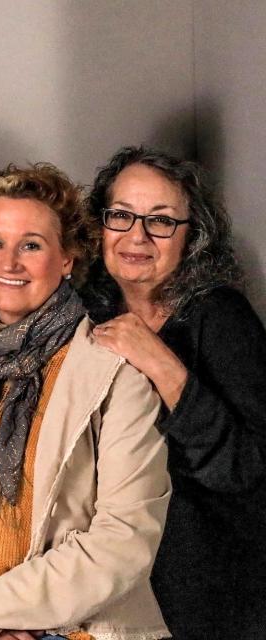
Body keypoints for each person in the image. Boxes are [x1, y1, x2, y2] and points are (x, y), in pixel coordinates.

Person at [0, 164, 171, 640]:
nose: (10, 262)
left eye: (32, 245)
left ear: (67, 259)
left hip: (73, 630)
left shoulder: (115, 375)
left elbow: (124, 542)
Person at [82, 147, 266, 637]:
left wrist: (162, 364)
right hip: (114, 586)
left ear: (193, 236)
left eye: (160, 221)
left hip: (211, 591)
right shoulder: (86, 313)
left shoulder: (221, 317)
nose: (136, 236)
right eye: (121, 215)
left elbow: (248, 468)